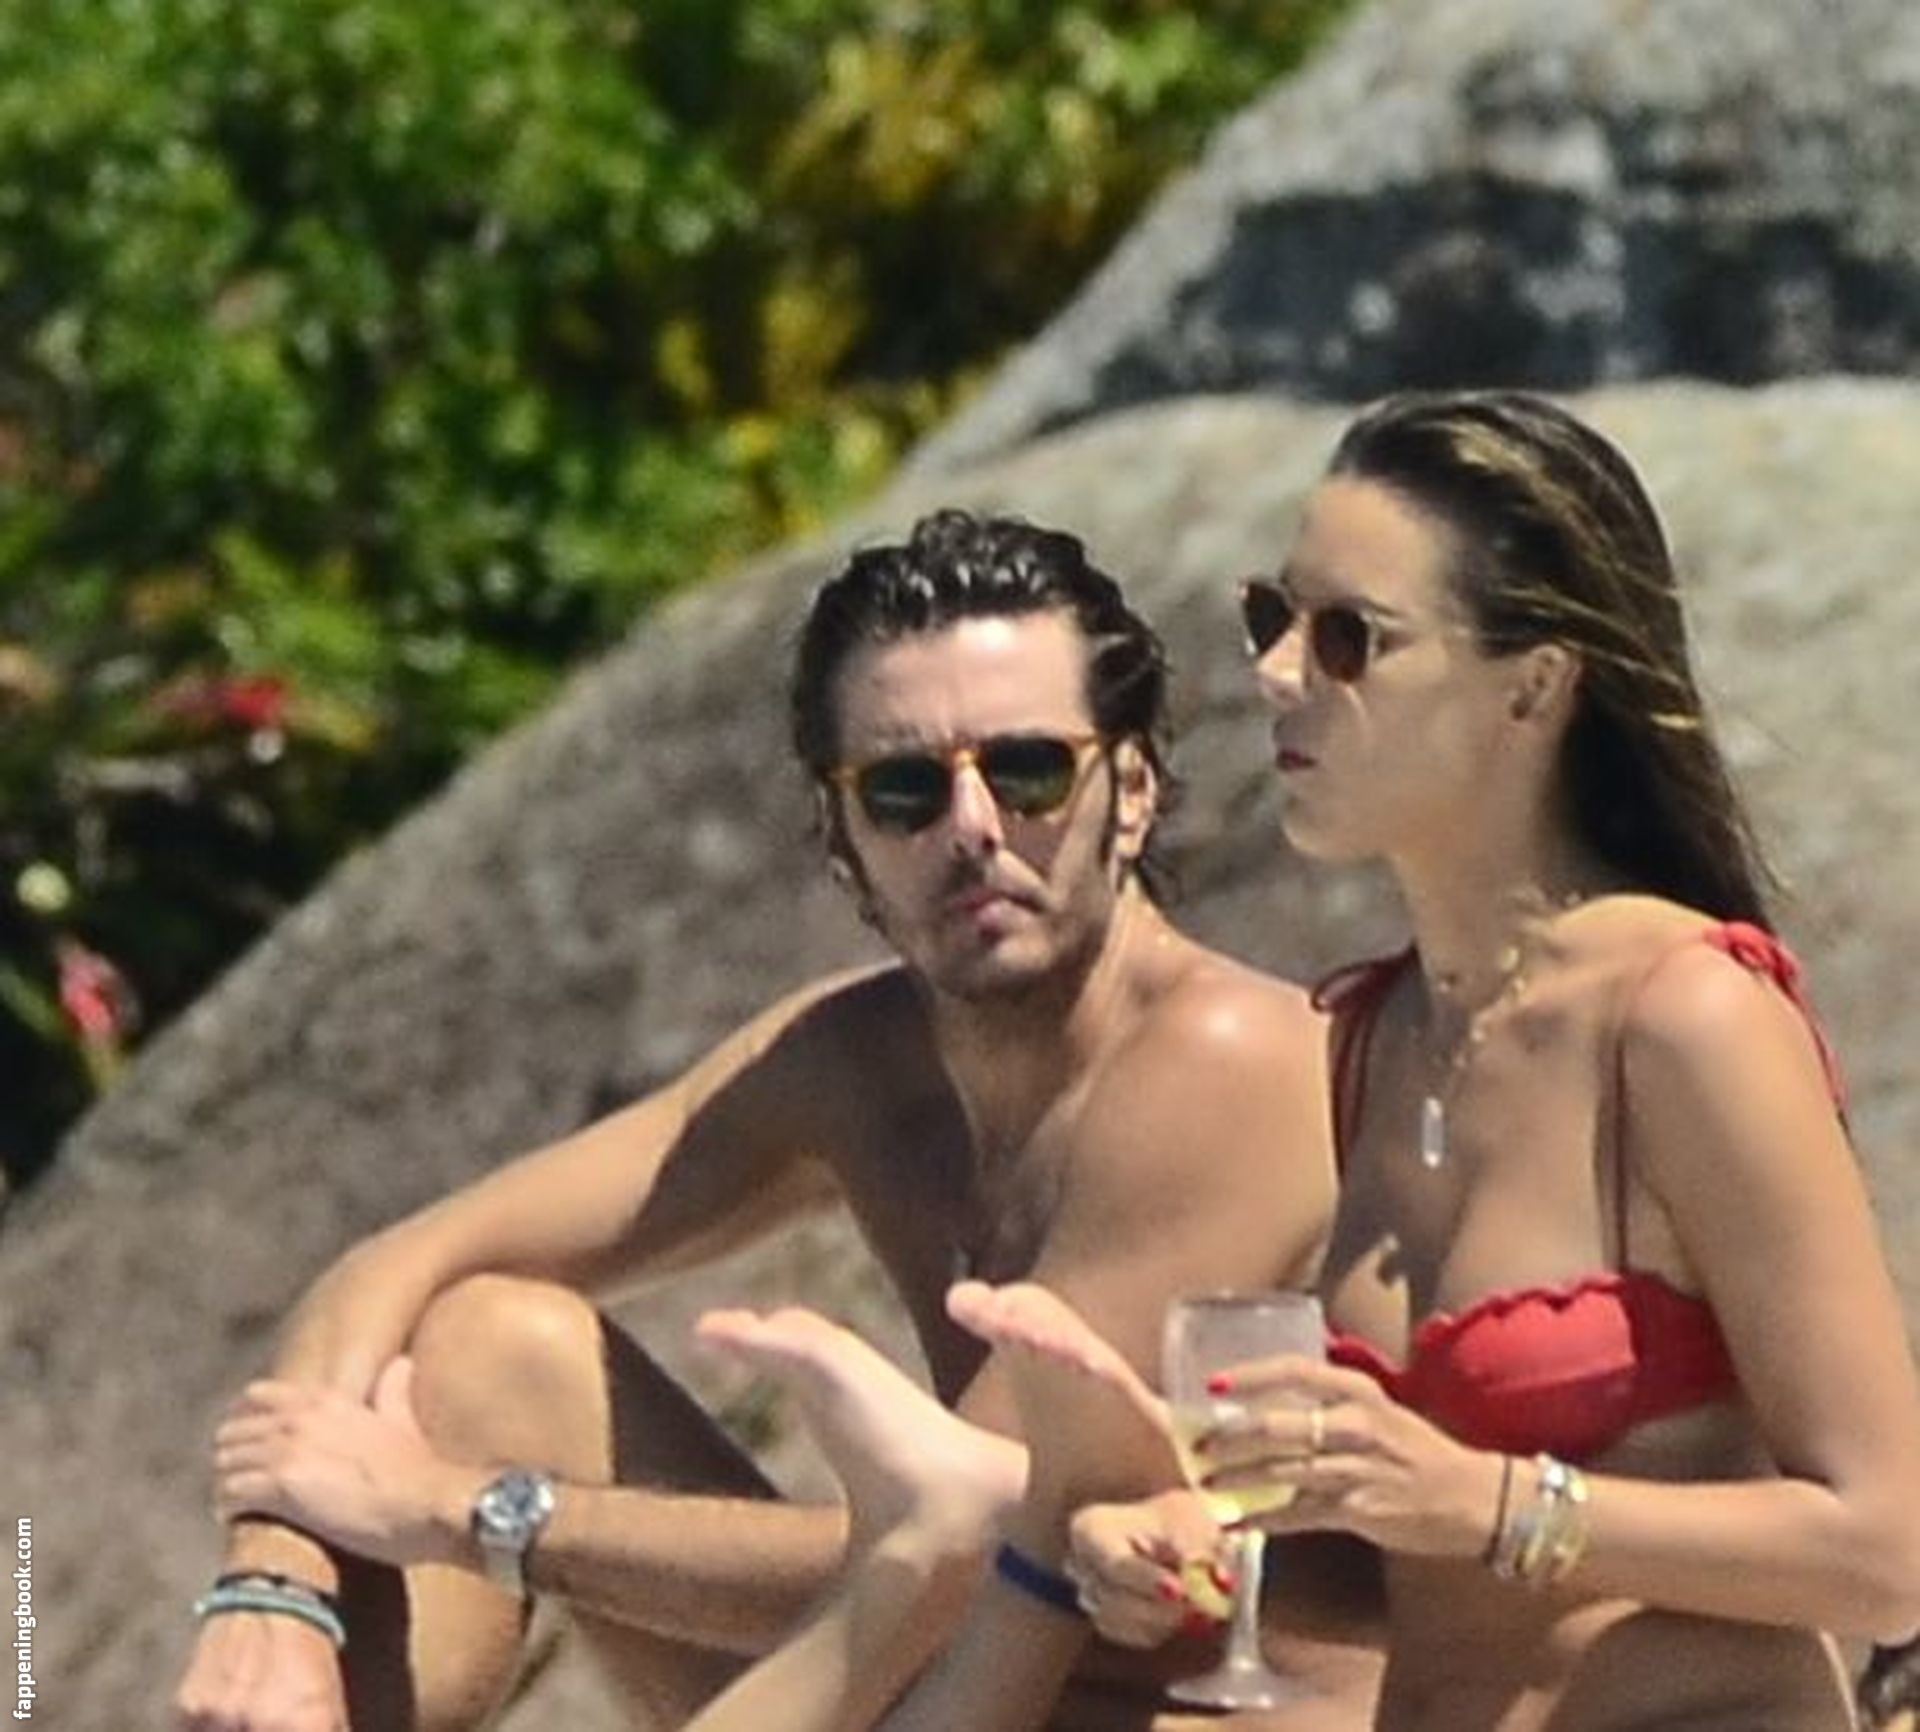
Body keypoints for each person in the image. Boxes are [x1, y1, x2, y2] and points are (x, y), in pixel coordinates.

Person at [666, 390, 1920, 1731]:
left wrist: (1491, 1502)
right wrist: (1165, 1538)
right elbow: (1398, 1556)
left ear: (1534, 688)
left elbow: (1887, 1550)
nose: (1275, 673)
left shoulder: (1685, 1018)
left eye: (1347, 639)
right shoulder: (1376, 1038)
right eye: (1272, 618)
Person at [178, 508, 1372, 1732]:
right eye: (905, 789)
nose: (972, 826)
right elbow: (398, 1263)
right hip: (948, 1696)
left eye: (1027, 771)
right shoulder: (855, 1061)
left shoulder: (1230, 1068)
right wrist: (276, 1584)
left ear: (1131, 793)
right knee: (495, 1345)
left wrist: (465, 1511)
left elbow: (964, 1547)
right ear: (844, 840)